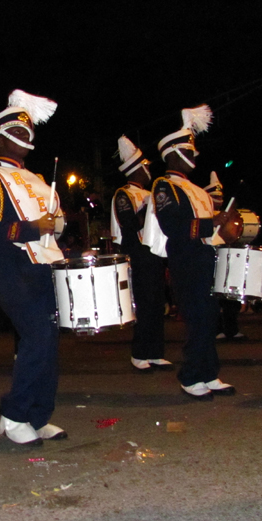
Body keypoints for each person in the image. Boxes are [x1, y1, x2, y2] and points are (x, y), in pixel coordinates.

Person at [0, 89, 66, 446]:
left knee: (47, 342)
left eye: (28, 132)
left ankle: (38, 416)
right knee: (37, 337)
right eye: (18, 132)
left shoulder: (39, 179)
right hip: (12, 267)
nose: (27, 137)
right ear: (0, 136)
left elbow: (54, 225)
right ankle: (13, 415)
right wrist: (30, 228)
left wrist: (55, 223)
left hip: (45, 267)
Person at [143, 105, 241, 400]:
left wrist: (227, 226)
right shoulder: (164, 185)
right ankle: (190, 376)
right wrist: (214, 222)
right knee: (198, 317)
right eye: (188, 149)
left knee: (210, 317)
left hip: (205, 256)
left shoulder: (197, 189)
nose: (194, 154)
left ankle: (208, 373)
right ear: (172, 153)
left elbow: (210, 229)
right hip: (186, 258)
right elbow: (173, 225)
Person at [110, 135, 170, 373]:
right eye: (145, 168)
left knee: (157, 303)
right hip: (136, 252)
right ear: (136, 170)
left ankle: (155, 352)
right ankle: (139, 353)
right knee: (144, 304)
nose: (148, 171)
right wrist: (150, 206)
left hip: (154, 253)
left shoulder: (148, 194)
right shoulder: (124, 194)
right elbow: (129, 224)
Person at [203, 171, 245, 341]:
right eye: (214, 197)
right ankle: (216, 328)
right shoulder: (204, 215)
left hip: (226, 258)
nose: (218, 200)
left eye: (220, 197)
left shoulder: (227, 216)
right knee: (214, 298)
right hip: (210, 259)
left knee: (230, 297)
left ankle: (232, 329)